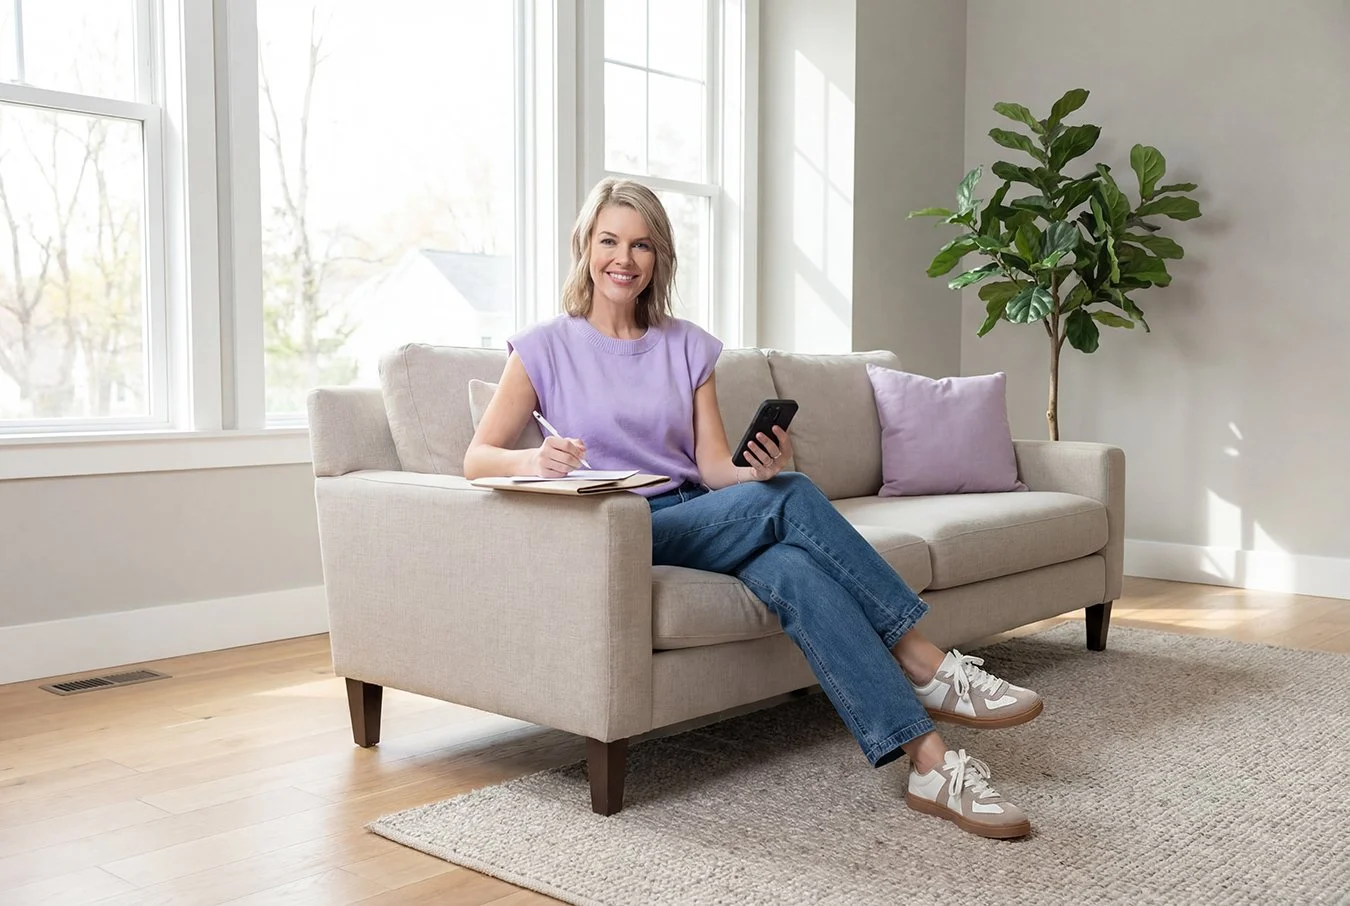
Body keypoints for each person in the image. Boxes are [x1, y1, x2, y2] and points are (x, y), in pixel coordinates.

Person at [465, 177, 1044, 839]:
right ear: (584, 245)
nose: (624, 258)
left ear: (660, 258)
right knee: (794, 496)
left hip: (698, 512)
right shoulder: (544, 347)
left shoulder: (688, 346)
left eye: (641, 245)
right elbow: (477, 457)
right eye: (609, 241)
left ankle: (932, 767)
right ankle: (925, 660)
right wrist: (531, 461)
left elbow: (713, 467)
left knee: (798, 569)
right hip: (624, 527)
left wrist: (755, 471)